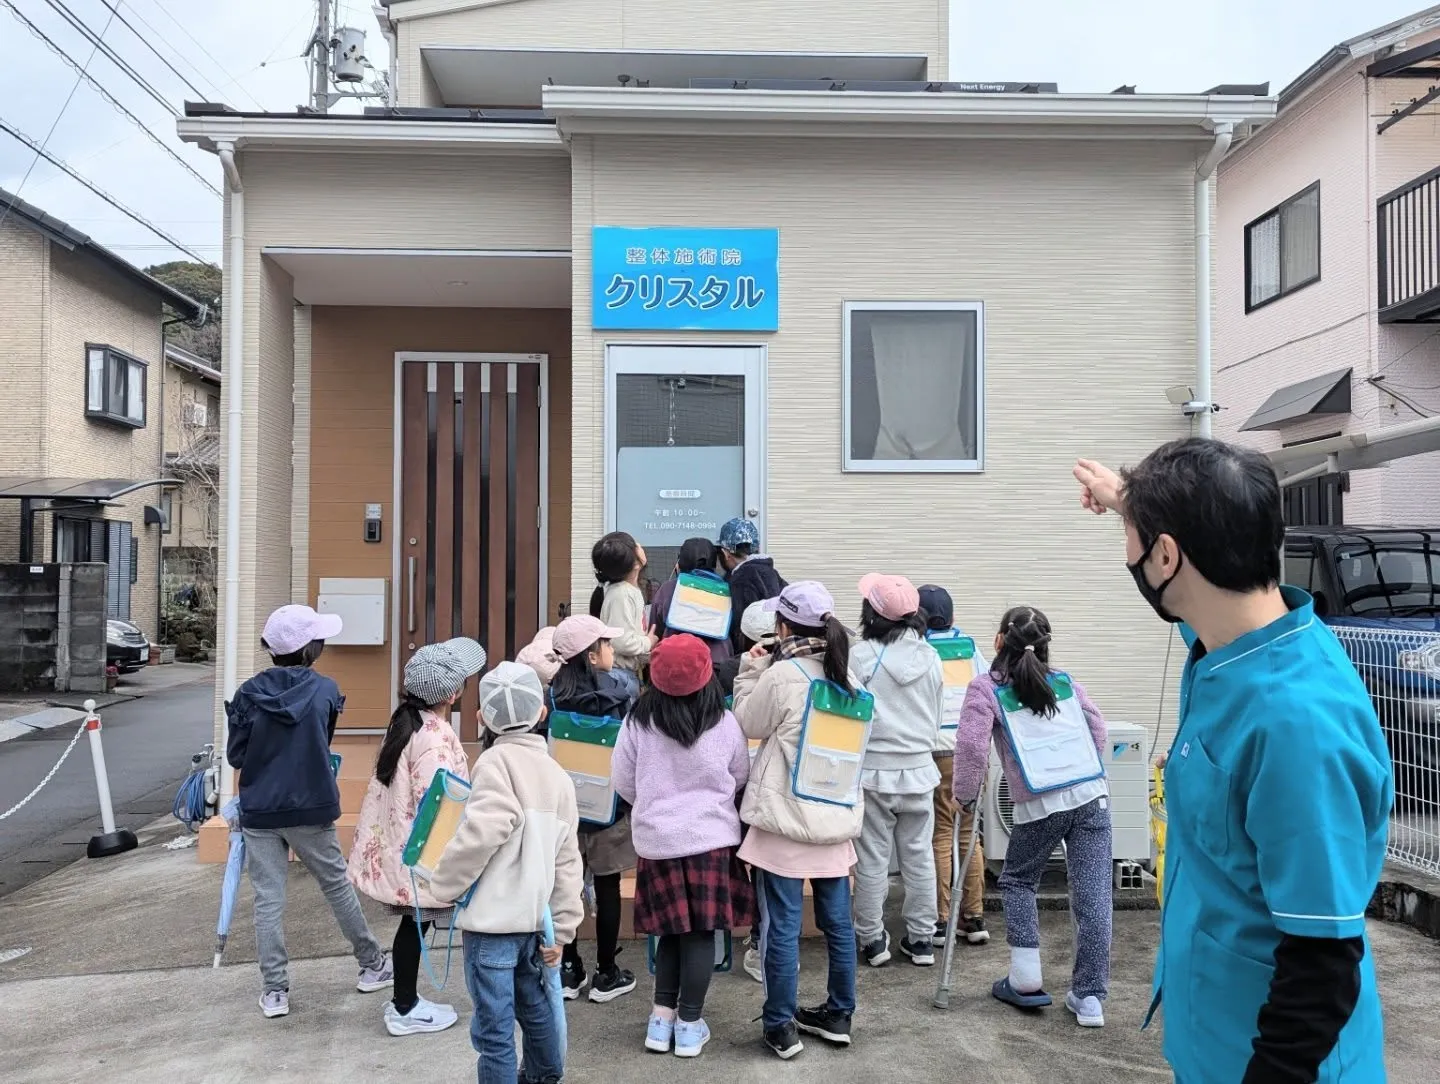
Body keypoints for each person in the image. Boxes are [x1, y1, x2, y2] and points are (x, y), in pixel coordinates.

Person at [1075, 440, 1392, 1081]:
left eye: (1133, 543)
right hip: (1216, 1036)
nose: (1128, 556)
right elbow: (1191, 607)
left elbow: (1322, 961)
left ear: (1167, 556)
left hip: (1274, 1062)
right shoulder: (1239, 638)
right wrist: (1126, 503)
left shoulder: (1297, 724)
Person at [225, 604, 391, 1019]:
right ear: (309, 648)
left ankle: (275, 990)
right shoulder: (326, 690)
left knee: (268, 898)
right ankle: (371, 964)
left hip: (260, 808)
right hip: (311, 803)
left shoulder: (248, 693)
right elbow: (322, 740)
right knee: (336, 885)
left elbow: (236, 754)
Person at [952, 606, 1113, 1026]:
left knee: (1019, 879)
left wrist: (964, 796)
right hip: (1091, 795)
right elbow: (1098, 729)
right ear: (1045, 646)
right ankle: (1090, 997)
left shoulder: (985, 688)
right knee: (1093, 895)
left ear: (998, 641)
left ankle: (1025, 977)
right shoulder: (1064, 682)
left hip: (1041, 802)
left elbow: (970, 748)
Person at [429, 662, 584, 1084]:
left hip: (491, 928)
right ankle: (544, 1075)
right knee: (536, 1011)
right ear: (542, 714)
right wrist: (565, 927)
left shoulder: (494, 763)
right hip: (535, 927)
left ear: (482, 719)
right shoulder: (558, 775)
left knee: (495, 1033)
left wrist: (443, 883)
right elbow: (568, 861)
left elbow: (483, 832)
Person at [732, 581, 862, 1060]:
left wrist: (748, 672)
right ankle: (839, 1014)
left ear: (783, 627)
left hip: (785, 822)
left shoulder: (783, 676)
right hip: (833, 820)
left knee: (781, 928)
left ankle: (780, 1025)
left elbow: (748, 723)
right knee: (838, 926)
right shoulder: (853, 680)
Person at [612, 634, 754, 1058]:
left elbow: (622, 780)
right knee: (699, 935)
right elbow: (740, 774)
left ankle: (661, 1022)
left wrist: (657, 807)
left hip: (657, 841)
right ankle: (689, 1024)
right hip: (711, 841)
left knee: (669, 932)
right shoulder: (724, 721)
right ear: (708, 674)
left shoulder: (638, 721)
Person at [347, 637, 487, 1036]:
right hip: (423, 852)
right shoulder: (434, 737)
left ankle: (405, 1002)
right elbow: (439, 799)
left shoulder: (405, 723)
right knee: (416, 925)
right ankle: (404, 1006)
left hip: (401, 844)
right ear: (454, 692)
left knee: (415, 925)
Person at [849, 574, 944, 968]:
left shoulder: (862, 655)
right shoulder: (931, 656)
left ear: (872, 613)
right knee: (919, 855)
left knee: (871, 858)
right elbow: (937, 713)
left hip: (873, 771)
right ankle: (922, 939)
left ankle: (872, 941)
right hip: (920, 769)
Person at [549, 614, 641, 1003]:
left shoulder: (550, 696)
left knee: (566, 888)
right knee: (608, 886)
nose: (611, 649)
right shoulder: (623, 693)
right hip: (610, 809)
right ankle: (606, 972)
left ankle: (568, 970)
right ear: (590, 655)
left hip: (564, 810)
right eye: (605, 644)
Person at [916, 583, 988, 945]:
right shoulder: (971, 649)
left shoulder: (919, 650)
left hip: (937, 751)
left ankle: (942, 920)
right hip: (972, 751)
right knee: (969, 834)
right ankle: (973, 918)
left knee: (941, 834)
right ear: (953, 617)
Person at [648, 537, 735, 665]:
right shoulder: (727, 590)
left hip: (677, 663)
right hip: (718, 663)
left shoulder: (667, 589)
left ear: (679, 563)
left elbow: (654, 631)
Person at [716, 517, 787, 655]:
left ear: (725, 553)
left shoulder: (740, 579)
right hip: (779, 651)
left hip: (755, 655)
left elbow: (739, 630)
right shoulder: (771, 572)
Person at [588, 531, 654, 679]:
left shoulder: (627, 590)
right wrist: (648, 642)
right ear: (635, 563)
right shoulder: (621, 595)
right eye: (635, 545)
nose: (639, 546)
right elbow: (622, 642)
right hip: (620, 675)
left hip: (625, 673)